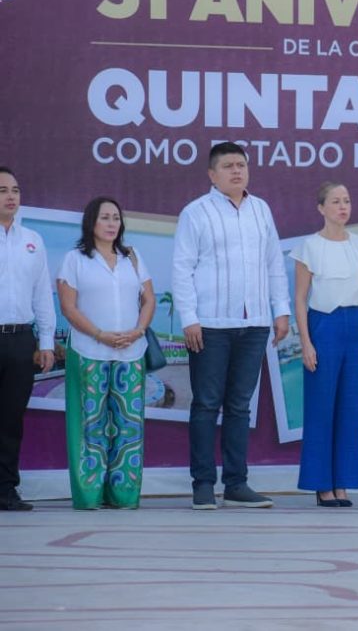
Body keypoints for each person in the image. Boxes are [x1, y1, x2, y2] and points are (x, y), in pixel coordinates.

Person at [172, 142, 291, 510]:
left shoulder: (261, 210)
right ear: (212, 174)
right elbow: (182, 268)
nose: (237, 171)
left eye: (241, 165)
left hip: (254, 323)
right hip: (209, 324)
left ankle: (237, 483)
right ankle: (203, 485)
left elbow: (273, 263)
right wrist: (189, 318)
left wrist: (280, 310)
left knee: (240, 406)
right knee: (206, 404)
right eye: (228, 166)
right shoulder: (195, 213)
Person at [57, 197, 155, 509]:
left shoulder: (132, 256)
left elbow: (149, 299)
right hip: (89, 351)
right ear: (91, 222)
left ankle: (124, 495)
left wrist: (138, 330)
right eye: (105, 218)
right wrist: (100, 334)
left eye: (116, 218)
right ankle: (89, 496)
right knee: (90, 424)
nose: (112, 224)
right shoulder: (75, 259)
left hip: (131, 352)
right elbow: (68, 307)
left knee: (129, 426)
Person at [291, 182, 358, 507]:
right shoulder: (308, 246)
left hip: (355, 326)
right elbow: (300, 299)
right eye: (336, 201)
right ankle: (321, 484)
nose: (343, 207)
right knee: (321, 406)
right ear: (321, 208)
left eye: (347, 200)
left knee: (350, 407)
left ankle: (343, 482)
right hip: (323, 325)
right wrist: (306, 342)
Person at [0, 167, 56, 511]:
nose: (11, 196)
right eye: (3, 190)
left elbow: (42, 294)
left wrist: (46, 341)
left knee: (10, 421)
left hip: (20, 340)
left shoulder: (33, 240)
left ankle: (6, 489)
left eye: (16, 190)